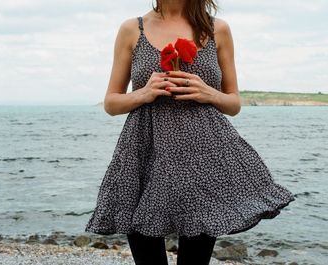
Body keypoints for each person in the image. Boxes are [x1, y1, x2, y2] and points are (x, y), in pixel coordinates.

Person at [85, 0, 296, 264]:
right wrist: (144, 93)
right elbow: (111, 103)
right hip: (144, 156)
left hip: (203, 159)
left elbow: (233, 103)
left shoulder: (217, 29)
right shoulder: (132, 29)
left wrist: (208, 92)